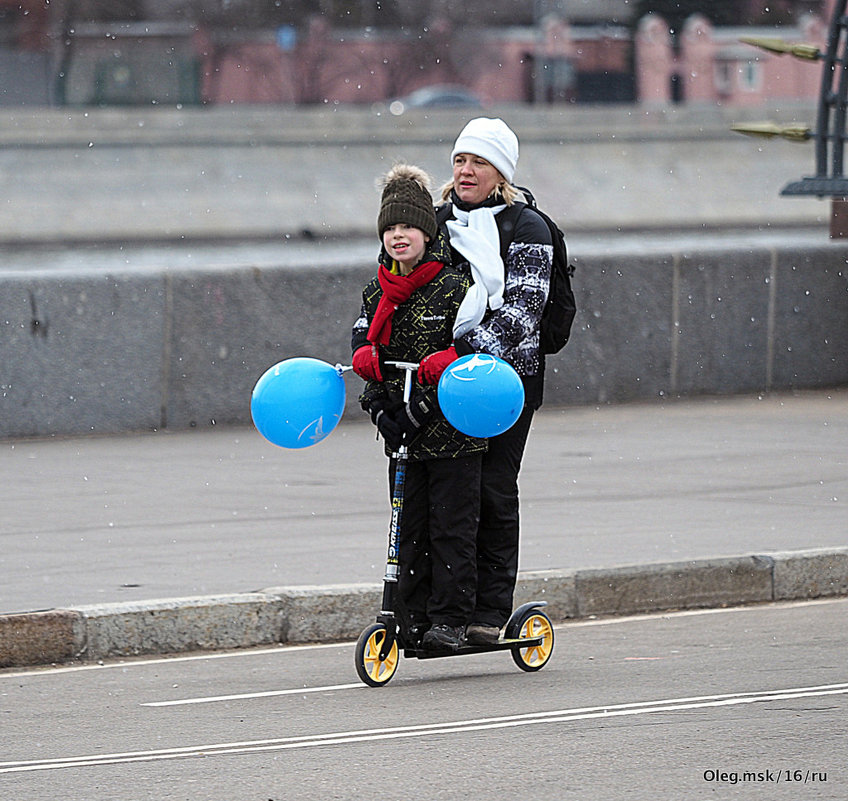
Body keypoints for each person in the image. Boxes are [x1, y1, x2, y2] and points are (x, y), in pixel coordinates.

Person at [415, 117, 554, 646]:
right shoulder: (436, 221)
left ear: (501, 172)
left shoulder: (528, 227)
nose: (466, 171)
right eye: (460, 160)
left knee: (493, 492)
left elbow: (523, 313)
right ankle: (439, 608)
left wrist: (463, 353)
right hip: (439, 380)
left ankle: (489, 611)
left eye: (479, 162)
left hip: (507, 383)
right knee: (449, 497)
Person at [350, 163, 486, 652]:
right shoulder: (377, 290)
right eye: (389, 228)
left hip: (452, 432)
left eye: (407, 226)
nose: (398, 236)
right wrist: (380, 410)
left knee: (452, 529)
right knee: (407, 529)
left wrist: (421, 409)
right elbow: (369, 361)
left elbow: (467, 355)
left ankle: (450, 620)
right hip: (403, 438)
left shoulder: (453, 286)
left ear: (427, 231)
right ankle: (409, 619)